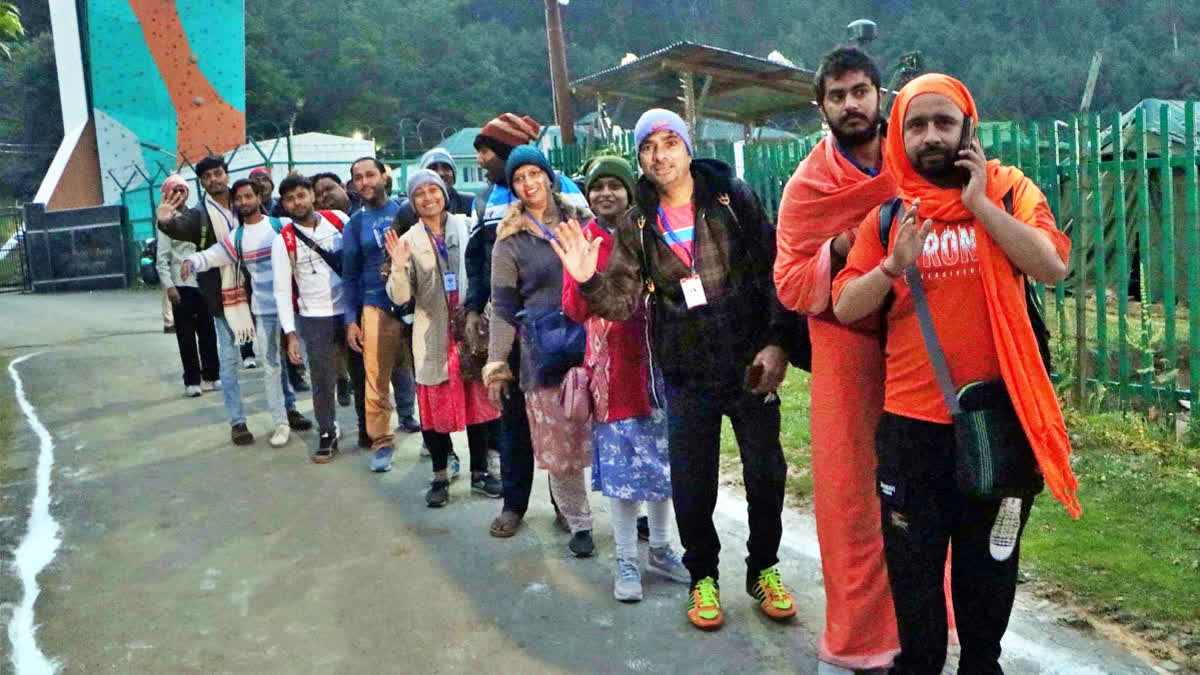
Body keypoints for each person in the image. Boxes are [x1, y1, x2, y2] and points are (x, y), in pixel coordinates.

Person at [832, 73, 1079, 674]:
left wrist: (979, 206)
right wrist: (891, 266)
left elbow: (1050, 266)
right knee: (914, 574)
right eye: (916, 125)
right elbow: (844, 305)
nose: (931, 136)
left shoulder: (1011, 191)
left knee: (988, 572)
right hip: (913, 432)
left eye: (945, 122)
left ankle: (980, 666)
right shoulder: (890, 218)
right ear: (899, 135)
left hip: (998, 425)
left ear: (969, 129)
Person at [552, 109, 799, 630]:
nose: (659, 154)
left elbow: (773, 266)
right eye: (648, 147)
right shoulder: (637, 221)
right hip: (686, 370)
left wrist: (777, 341)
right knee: (692, 480)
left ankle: (763, 569)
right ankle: (702, 576)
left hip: (750, 361)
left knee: (765, 473)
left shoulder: (732, 198)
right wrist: (589, 280)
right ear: (640, 159)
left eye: (669, 142)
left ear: (688, 148)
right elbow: (619, 302)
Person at [774, 46, 901, 673]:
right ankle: (854, 647)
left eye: (861, 91)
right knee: (852, 504)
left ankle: (928, 633)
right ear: (820, 106)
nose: (851, 104)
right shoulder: (808, 186)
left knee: (926, 494)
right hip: (846, 357)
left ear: (880, 94)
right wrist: (847, 244)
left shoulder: (915, 159)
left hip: (919, 353)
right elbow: (790, 281)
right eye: (838, 95)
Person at [561, 156, 688, 601]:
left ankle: (660, 549)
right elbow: (575, 311)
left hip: (660, 367)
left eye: (615, 185)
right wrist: (583, 274)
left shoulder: (649, 233)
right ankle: (626, 561)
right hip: (612, 374)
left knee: (663, 464)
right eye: (598, 187)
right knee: (620, 472)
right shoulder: (584, 241)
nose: (606, 194)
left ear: (631, 192)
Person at [462, 113, 589, 539]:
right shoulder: (500, 223)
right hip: (529, 339)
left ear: (549, 178)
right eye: (520, 177)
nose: (529, 183)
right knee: (518, 424)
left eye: (536, 173)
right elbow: (502, 300)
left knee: (575, 423)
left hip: (579, 335)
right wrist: (496, 360)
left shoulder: (578, 216)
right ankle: (515, 504)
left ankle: (567, 505)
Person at [383, 169, 502, 505]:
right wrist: (397, 266)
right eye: (419, 193)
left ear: (445, 193)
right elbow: (399, 296)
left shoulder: (466, 226)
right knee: (434, 410)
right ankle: (439, 474)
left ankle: (481, 473)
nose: (428, 198)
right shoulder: (406, 240)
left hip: (470, 329)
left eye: (433, 190)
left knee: (478, 405)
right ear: (412, 200)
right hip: (432, 333)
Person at [157, 157, 294, 444]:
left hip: (259, 292)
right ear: (202, 182)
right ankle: (238, 422)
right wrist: (165, 220)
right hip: (224, 298)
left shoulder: (243, 203)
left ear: (226, 174)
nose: (214, 179)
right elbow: (180, 228)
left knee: (273, 356)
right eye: (207, 176)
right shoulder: (199, 215)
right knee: (229, 360)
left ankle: (288, 410)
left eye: (218, 173)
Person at [180, 178, 314, 448]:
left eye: (248, 196)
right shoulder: (238, 238)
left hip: (297, 308)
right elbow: (213, 255)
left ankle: (325, 422)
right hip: (263, 312)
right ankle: (281, 424)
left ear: (259, 197)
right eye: (238, 198)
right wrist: (192, 260)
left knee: (311, 364)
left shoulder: (281, 226)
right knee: (270, 368)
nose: (243, 202)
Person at [342, 156, 420, 472]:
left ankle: (433, 436)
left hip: (415, 303)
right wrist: (351, 320)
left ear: (383, 177)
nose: (365, 182)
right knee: (375, 379)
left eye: (370, 175)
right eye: (358, 178)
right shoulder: (355, 224)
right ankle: (382, 442)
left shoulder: (406, 210)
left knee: (424, 374)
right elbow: (349, 276)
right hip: (375, 305)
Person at [272, 174, 349, 463]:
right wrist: (291, 334)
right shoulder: (284, 241)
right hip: (314, 318)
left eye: (301, 195)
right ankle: (328, 431)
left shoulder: (339, 220)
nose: (297, 202)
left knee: (363, 372)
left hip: (350, 312)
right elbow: (282, 290)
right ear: (285, 204)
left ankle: (372, 429)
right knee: (321, 380)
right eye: (290, 199)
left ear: (313, 196)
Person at [156, 174, 219, 397]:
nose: (179, 195)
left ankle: (212, 375)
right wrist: (169, 286)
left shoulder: (197, 216)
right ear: (167, 194)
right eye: (175, 191)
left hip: (202, 280)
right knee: (185, 334)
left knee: (208, 330)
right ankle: (191, 380)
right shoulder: (165, 220)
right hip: (180, 284)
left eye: (182, 191)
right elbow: (162, 258)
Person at [393, 148, 475, 230]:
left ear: (454, 175)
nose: (441, 173)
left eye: (446, 168)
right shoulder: (407, 210)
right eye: (433, 169)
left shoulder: (470, 203)